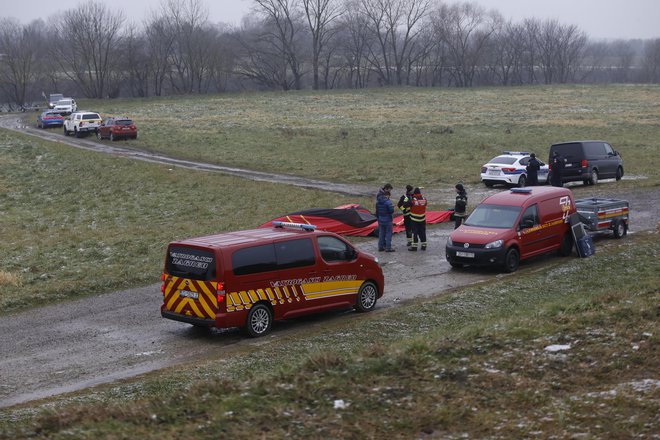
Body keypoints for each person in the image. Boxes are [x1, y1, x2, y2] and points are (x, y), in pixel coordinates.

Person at [375, 185, 395, 252]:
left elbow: (377, 211)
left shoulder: (378, 202)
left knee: (381, 233)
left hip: (380, 219)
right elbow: (391, 211)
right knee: (388, 234)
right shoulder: (388, 202)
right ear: (387, 195)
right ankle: (388, 247)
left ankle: (380, 247)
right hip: (388, 220)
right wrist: (392, 207)